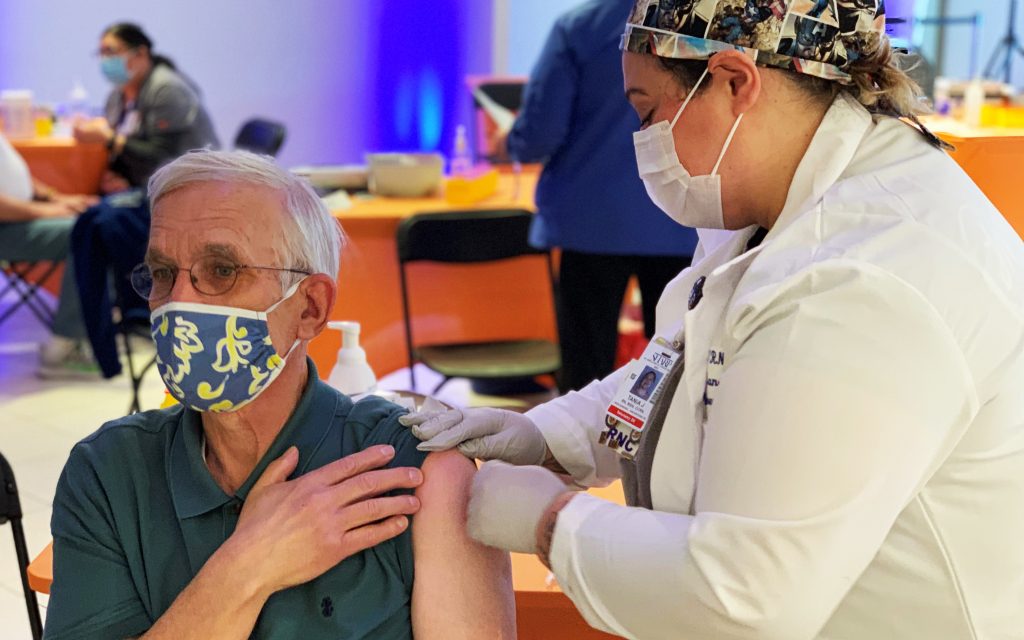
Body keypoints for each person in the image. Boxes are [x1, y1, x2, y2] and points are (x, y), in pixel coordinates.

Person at [400, 0, 1024, 637]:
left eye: (648, 112)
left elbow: (744, 596)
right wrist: (546, 435)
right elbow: (691, 368)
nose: (644, 141)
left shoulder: (861, 276)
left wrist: (550, 522)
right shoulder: (786, 206)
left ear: (732, 80)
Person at [45, 150, 516, 639]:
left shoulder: (415, 471)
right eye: (163, 273)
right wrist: (247, 568)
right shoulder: (108, 471)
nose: (178, 302)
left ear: (310, 308)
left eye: (221, 270)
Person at [497, 0, 698, 392]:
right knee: (679, 367)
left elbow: (541, 133)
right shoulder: (705, 25)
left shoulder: (579, 29)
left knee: (586, 373)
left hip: (592, 223)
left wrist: (510, 143)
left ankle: (584, 437)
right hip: (682, 219)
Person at [71, 22, 220, 379]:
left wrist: (112, 142)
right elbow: (131, 154)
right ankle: (111, 334)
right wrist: (118, 171)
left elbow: (167, 158)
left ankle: (142, 306)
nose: (105, 60)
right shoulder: (119, 96)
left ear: (140, 54)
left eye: (112, 52)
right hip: (149, 190)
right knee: (88, 222)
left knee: (97, 224)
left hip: (189, 191)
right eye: (101, 53)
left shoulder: (167, 90)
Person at [0, 132, 99, 376]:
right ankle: (69, 344)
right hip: (7, 226)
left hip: (15, 221)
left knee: (99, 222)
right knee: (90, 233)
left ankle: (84, 333)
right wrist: (49, 210)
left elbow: (11, 171)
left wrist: (56, 199)